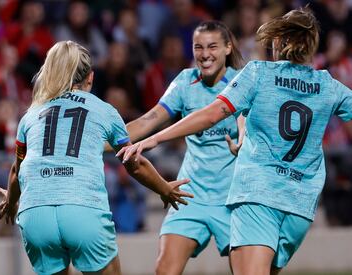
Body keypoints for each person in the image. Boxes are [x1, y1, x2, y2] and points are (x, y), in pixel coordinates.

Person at [118, 8, 352, 275]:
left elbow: (210, 115)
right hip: (299, 204)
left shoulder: (259, 73)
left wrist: (155, 139)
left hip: (258, 196)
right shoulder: (328, 85)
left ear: (279, 41)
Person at [0, 40, 193, 275]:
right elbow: (134, 164)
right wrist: (164, 188)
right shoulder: (103, 110)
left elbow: (17, 170)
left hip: (36, 213)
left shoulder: (31, 115)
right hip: (82, 209)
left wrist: (11, 202)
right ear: (90, 77)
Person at [113, 21, 244, 275]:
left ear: (228, 48)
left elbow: (247, 122)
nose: (205, 54)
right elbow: (148, 121)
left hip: (233, 199)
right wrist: (100, 142)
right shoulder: (185, 81)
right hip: (190, 195)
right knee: (164, 270)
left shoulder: (241, 82)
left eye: (212, 46)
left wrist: (244, 140)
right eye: (198, 47)